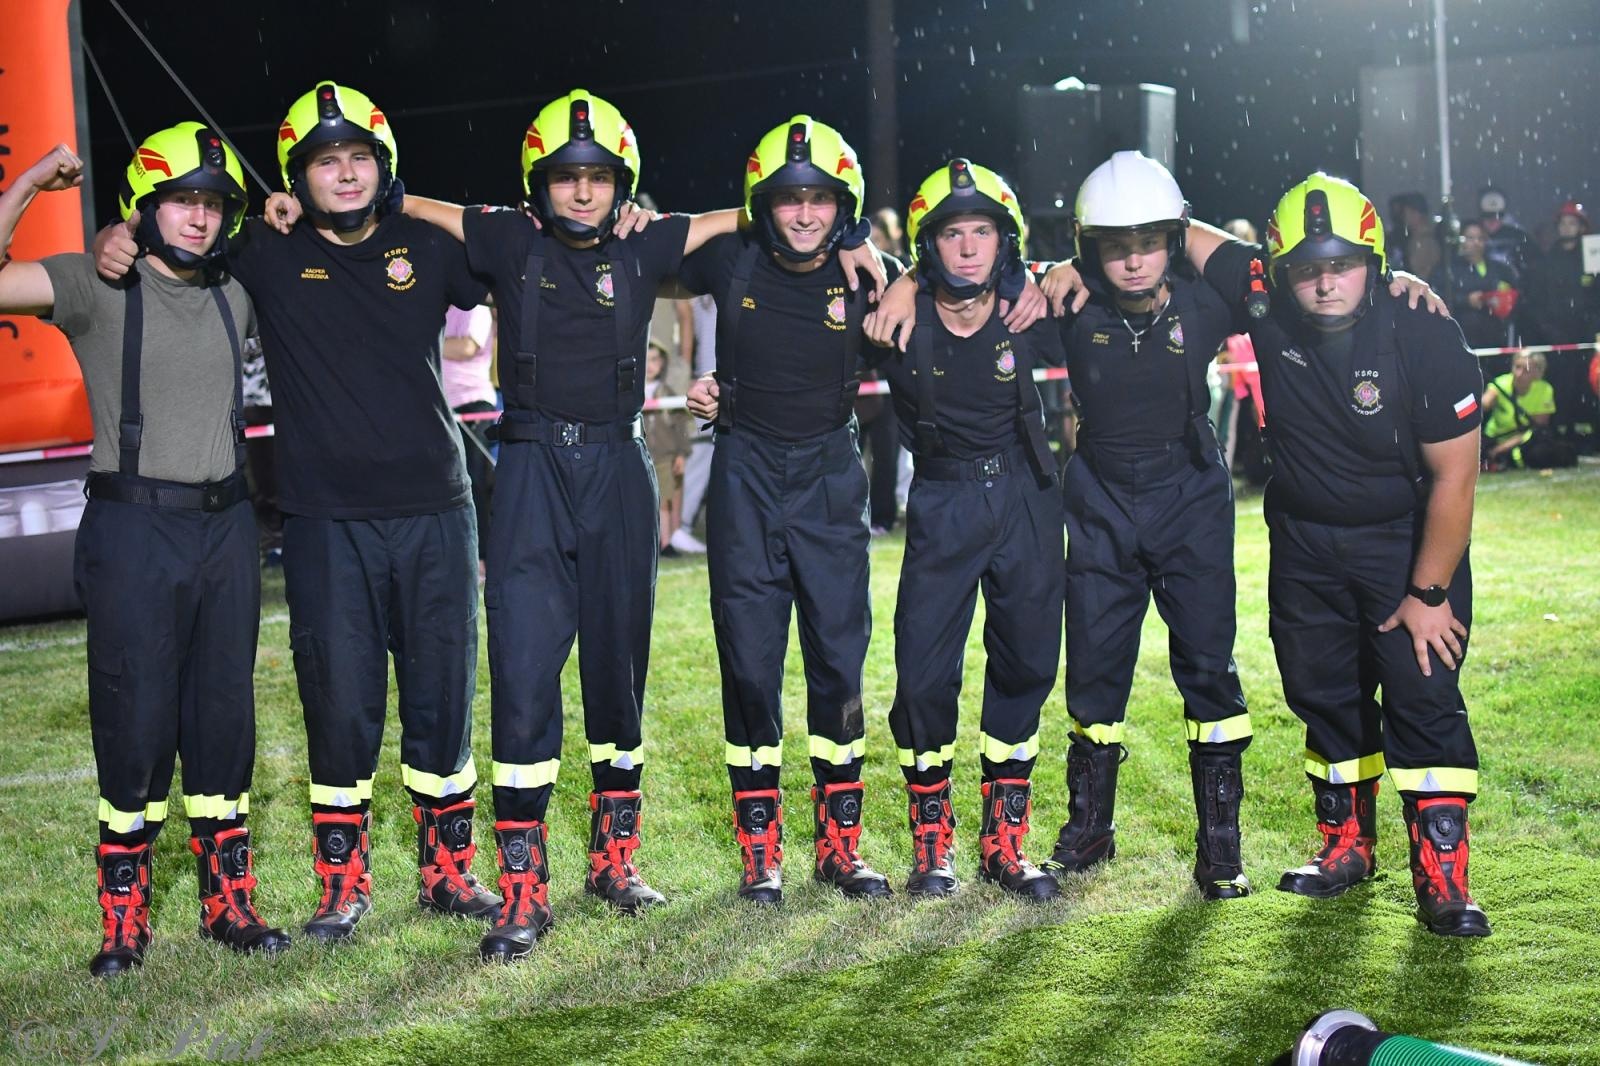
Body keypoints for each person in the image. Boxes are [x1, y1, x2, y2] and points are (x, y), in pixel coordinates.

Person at [97, 82, 502, 943]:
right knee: (339, 703)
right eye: (326, 162)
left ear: (382, 167)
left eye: (360, 158)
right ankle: (341, 884)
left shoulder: (426, 245)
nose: (345, 174)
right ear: (297, 176)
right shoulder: (264, 252)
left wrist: (417, 200)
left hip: (436, 508)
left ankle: (448, 871)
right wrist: (117, 233)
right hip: (323, 525)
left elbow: (518, 247)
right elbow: (176, 234)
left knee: (441, 697)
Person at [1, 132, 290, 975]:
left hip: (228, 526)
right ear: (145, 207)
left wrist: (283, 212)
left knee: (222, 718)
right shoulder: (94, 284)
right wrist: (29, 181)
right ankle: (123, 920)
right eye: (181, 201)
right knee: (134, 722)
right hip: (134, 529)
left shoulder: (237, 290)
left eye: (212, 204)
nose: (198, 218)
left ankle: (227, 900)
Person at [1184, 173, 1492, 937]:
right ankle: (1346, 845)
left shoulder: (1423, 330)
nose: (1324, 282)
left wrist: (1428, 596)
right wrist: (1065, 265)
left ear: (1375, 261)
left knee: (1422, 699)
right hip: (1304, 543)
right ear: (1280, 268)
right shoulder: (1265, 292)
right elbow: (1171, 226)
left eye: (1343, 263)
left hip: (1405, 544)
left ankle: (1444, 876)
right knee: (1324, 695)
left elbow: (1457, 476)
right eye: (1307, 267)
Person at [682, 115, 897, 905]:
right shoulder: (730, 255)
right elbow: (635, 242)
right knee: (749, 662)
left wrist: (883, 256)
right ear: (760, 205)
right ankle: (759, 850)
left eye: (819, 199)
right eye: (785, 200)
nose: (804, 214)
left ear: (843, 203)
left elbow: (943, 284)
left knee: (839, 659)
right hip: (744, 471)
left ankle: (841, 846)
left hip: (830, 477)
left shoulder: (866, 274)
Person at [1041, 153, 1253, 900]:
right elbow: (973, 294)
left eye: (1151, 242)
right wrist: (1051, 269)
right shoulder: (1066, 302)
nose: (1133, 262)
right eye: (1114, 246)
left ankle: (1221, 848)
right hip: (1099, 500)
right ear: (1088, 247)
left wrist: (1401, 281)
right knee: (1094, 670)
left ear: (1174, 236)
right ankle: (1089, 830)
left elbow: (1282, 275)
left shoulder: (1208, 303)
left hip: (1190, 497)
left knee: (1209, 669)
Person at [875, 160, 1065, 901]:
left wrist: (1062, 270)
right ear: (929, 246)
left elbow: (1119, 274)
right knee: (923, 675)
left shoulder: (1036, 305)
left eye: (982, 231)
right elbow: (814, 336)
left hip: (1025, 495)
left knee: (1024, 665)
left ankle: (1005, 844)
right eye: (952, 233)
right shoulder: (898, 316)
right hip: (943, 498)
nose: (967, 248)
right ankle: (932, 848)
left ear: (1005, 240)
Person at [1519, 202, 1600, 439]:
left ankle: (1592, 434)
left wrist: (1593, 327)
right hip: (1558, 337)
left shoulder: (1592, 258)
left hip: (1587, 336)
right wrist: (1550, 331)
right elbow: (1538, 302)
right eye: (1563, 223)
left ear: (1581, 227)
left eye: (1572, 223)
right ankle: (1564, 432)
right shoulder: (1548, 262)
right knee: (1562, 385)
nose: (1567, 228)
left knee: (1590, 383)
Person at [443, 302, 498, 579]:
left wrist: (423, 337)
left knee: (476, 486)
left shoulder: (478, 309)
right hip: (441, 406)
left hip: (473, 406)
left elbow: (465, 347)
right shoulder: (441, 307)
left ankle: (483, 559)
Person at [1441, 220, 1519, 355]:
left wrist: (1504, 299)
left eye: (1480, 238)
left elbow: (1516, 292)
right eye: (1470, 238)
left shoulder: (1500, 268)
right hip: (1463, 336)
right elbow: (1439, 295)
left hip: (1496, 336)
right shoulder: (1448, 268)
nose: (1476, 243)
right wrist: (1466, 300)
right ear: (1461, 240)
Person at [644, 339, 692, 550]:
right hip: (640, 455)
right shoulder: (631, 392)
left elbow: (680, 426)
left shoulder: (668, 394)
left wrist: (681, 454)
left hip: (663, 457)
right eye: (646, 360)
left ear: (662, 363)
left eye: (654, 360)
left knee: (663, 500)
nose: (650, 366)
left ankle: (665, 542)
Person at [1480, 351, 1558, 469]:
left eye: (1526, 370)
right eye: (1517, 367)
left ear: (1538, 373)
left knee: (1541, 452)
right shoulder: (1500, 383)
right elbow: (1484, 404)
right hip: (1495, 437)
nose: (1519, 374)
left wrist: (1499, 450)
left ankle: (1504, 459)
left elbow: (1538, 428)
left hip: (1525, 440)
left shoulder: (1545, 389)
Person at [1476, 185, 1537, 276]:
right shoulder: (1473, 238)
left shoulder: (1519, 237)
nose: (1493, 220)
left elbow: (1535, 265)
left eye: (1498, 216)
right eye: (1488, 216)